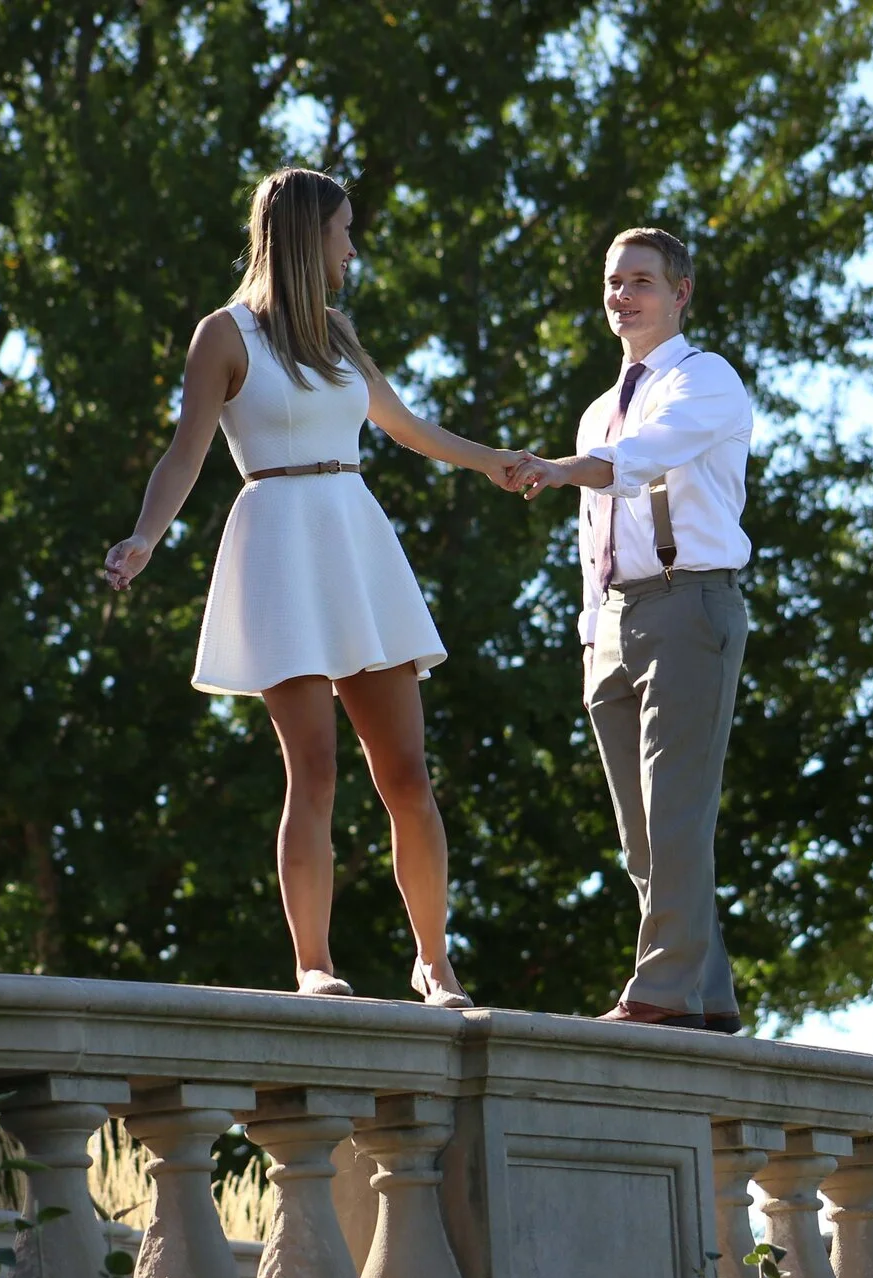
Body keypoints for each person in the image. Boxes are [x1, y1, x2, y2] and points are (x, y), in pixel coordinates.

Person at [103, 168, 513, 1008]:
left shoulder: (338, 334)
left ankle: (433, 962)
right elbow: (186, 453)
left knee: (406, 772)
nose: (352, 248)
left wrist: (497, 464)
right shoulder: (222, 335)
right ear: (303, 235)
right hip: (278, 547)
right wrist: (145, 537)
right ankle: (314, 964)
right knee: (314, 769)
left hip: (354, 542)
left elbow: (405, 427)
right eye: (343, 231)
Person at [503, 228, 754, 1031]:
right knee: (642, 836)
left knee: (677, 811)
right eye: (613, 282)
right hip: (613, 621)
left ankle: (659, 994)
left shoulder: (705, 379)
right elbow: (591, 539)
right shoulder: (594, 411)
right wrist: (588, 636)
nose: (623, 296)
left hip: (689, 605)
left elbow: (641, 458)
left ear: (681, 293)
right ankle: (708, 997)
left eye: (641, 281)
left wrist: (559, 468)